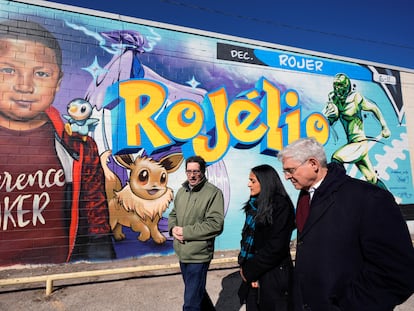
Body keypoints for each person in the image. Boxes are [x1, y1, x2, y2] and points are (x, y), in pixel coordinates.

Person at [0, 20, 115, 266]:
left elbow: (95, 209)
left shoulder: (79, 146)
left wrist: (101, 253)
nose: (24, 86)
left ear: (58, 82)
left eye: (41, 73)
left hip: (62, 270)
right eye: (8, 70)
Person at [277, 137, 414, 311]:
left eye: (290, 170)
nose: (287, 176)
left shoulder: (369, 198)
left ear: (313, 164)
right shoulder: (306, 197)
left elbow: (398, 272)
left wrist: (349, 305)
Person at [168, 155, 225, 311]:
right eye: (188, 171)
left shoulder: (213, 193)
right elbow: (173, 214)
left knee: (191, 304)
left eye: (196, 171)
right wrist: (173, 229)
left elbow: (215, 224)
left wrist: (185, 232)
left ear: (203, 171)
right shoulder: (182, 191)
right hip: (182, 252)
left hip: (199, 255)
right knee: (197, 293)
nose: (192, 175)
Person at [238, 164, 295, 311]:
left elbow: (276, 246)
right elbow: (246, 239)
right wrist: (246, 266)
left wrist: (251, 271)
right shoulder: (254, 205)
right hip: (253, 271)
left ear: (265, 182)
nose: (248, 184)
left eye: (253, 181)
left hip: (273, 274)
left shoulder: (280, 205)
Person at [323, 73, 390, 189]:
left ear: (347, 86)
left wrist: (384, 126)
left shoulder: (356, 98)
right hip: (352, 144)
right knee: (371, 178)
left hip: (359, 143)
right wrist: (327, 118)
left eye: (341, 85)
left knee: (336, 158)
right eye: (336, 85)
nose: (338, 89)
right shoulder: (334, 100)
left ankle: (342, 190)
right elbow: (332, 119)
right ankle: (389, 198)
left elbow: (373, 108)